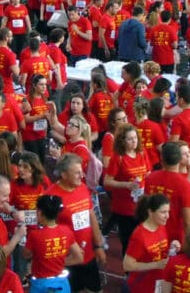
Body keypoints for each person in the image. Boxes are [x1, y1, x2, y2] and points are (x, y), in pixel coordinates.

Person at [47, 154, 105, 293]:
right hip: (67, 261)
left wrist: (99, 246)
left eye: (81, 171)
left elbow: (92, 218)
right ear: (64, 175)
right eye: (77, 173)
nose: (82, 175)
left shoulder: (83, 188)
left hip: (88, 256)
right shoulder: (51, 197)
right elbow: (48, 230)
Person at [103, 124, 150, 256]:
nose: (134, 141)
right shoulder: (118, 158)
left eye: (135, 138)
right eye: (130, 139)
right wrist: (126, 185)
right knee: (128, 241)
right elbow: (107, 181)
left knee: (143, 238)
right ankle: (128, 272)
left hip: (141, 203)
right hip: (124, 207)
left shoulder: (142, 152)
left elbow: (148, 171)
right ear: (122, 141)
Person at [23, 194, 83, 293]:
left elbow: (26, 255)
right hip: (62, 284)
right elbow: (79, 257)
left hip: (40, 285)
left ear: (40, 212)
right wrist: (57, 261)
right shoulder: (66, 231)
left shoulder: (35, 235)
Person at [123, 193, 178, 293]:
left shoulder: (161, 226)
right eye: (163, 212)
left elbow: (160, 250)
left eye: (168, 212)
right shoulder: (139, 236)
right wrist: (156, 265)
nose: (167, 216)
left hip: (158, 283)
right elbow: (127, 265)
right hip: (141, 286)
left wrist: (173, 246)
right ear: (150, 212)